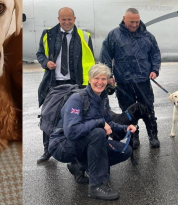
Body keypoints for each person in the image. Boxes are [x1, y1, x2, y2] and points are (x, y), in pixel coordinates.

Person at [48, 63, 136, 201]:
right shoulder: (77, 98)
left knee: (125, 151)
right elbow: (71, 131)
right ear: (89, 79)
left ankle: (80, 165)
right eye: (96, 78)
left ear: (107, 81)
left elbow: (108, 122)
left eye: (103, 79)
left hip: (83, 142)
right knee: (98, 133)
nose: (100, 82)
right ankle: (97, 186)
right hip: (62, 145)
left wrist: (125, 128)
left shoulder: (103, 98)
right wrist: (100, 123)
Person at [36, 7, 95, 163]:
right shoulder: (48, 34)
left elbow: (91, 60)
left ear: (74, 19)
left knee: (75, 117)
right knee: (49, 116)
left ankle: (76, 153)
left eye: (69, 19)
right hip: (54, 83)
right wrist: (45, 62)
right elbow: (40, 54)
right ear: (58, 19)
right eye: (64, 19)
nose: (67, 22)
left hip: (75, 83)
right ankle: (47, 150)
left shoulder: (84, 36)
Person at [100, 8, 161, 149]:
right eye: (131, 22)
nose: (134, 25)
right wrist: (108, 75)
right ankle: (133, 137)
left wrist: (154, 70)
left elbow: (155, 54)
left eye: (137, 22)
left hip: (142, 81)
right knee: (127, 112)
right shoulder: (113, 35)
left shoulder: (148, 36)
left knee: (148, 109)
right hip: (123, 82)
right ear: (124, 19)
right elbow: (106, 56)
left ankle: (153, 136)